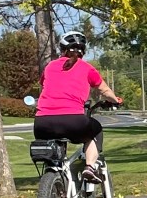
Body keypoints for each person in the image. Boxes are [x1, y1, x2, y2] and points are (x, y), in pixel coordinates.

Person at [34, 31, 122, 183]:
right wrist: (116, 100)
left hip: (42, 123)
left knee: (54, 152)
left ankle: (55, 181)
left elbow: (44, 84)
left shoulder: (49, 67)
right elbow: (104, 91)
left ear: (62, 49)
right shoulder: (87, 68)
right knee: (96, 130)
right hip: (73, 120)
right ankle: (90, 167)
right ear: (83, 51)